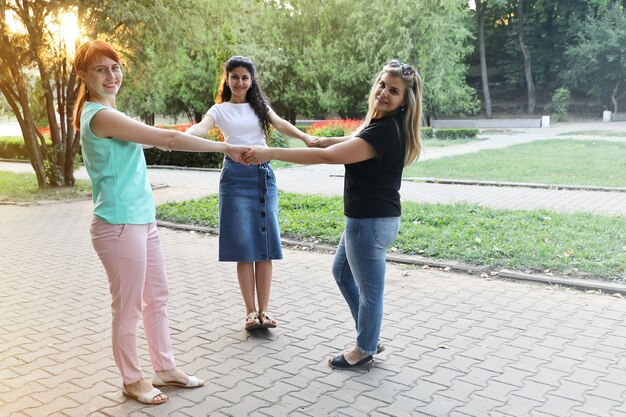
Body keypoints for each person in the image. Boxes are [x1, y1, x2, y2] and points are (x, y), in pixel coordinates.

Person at [73, 40, 250, 405]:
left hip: (141, 221)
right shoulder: (99, 115)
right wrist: (226, 147)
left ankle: (165, 369)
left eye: (115, 67)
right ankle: (132, 380)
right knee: (128, 307)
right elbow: (167, 139)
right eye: (101, 69)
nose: (111, 76)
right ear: (83, 76)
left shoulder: (109, 111)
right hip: (119, 226)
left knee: (157, 298)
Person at [243, 59, 423, 369]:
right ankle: (370, 335)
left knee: (370, 293)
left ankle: (364, 348)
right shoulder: (382, 126)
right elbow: (353, 143)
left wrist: (269, 152)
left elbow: (326, 158)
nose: (383, 92)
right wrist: (327, 139)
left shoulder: (383, 132)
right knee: (342, 274)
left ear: (405, 100)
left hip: (370, 223)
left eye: (393, 91)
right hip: (368, 220)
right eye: (382, 84)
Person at [186, 56, 315, 331]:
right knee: (244, 247)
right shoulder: (219, 110)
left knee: (265, 245)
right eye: (235, 77)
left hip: (262, 177)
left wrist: (305, 137)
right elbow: (202, 128)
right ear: (227, 79)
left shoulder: (260, 108)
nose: (240, 82)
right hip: (234, 179)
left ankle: (264, 312)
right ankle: (249, 313)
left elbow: (280, 124)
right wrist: (182, 137)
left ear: (251, 80)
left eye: (245, 77)